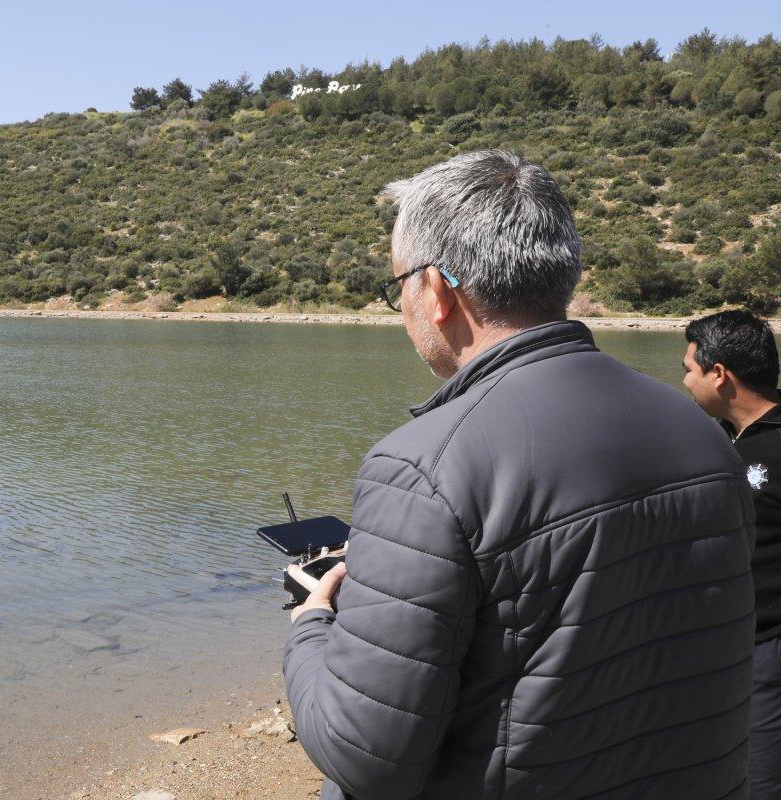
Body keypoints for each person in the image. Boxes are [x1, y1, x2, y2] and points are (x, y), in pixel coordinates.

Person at [283, 150, 755, 800]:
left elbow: (366, 757)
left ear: (438, 290)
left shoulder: (422, 467)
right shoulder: (703, 435)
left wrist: (311, 626)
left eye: (396, 286)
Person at [683, 310, 781, 799]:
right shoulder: (722, 440)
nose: (684, 380)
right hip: (731, 644)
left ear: (719, 374)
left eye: (689, 369)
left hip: (770, 647)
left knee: (761, 778)